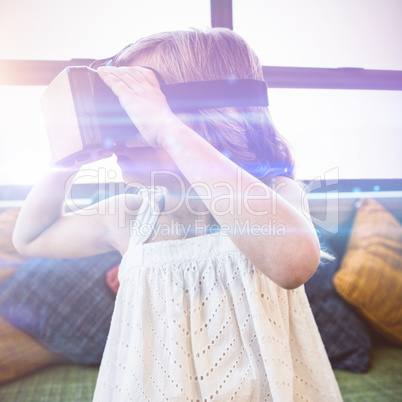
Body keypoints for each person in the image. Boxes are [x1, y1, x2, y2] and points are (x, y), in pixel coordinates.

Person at [13, 28, 342, 401]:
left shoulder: (276, 193)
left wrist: (165, 128)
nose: (119, 132)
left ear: (207, 117)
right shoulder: (132, 215)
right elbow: (30, 238)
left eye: (134, 110)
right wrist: (69, 158)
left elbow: (292, 264)